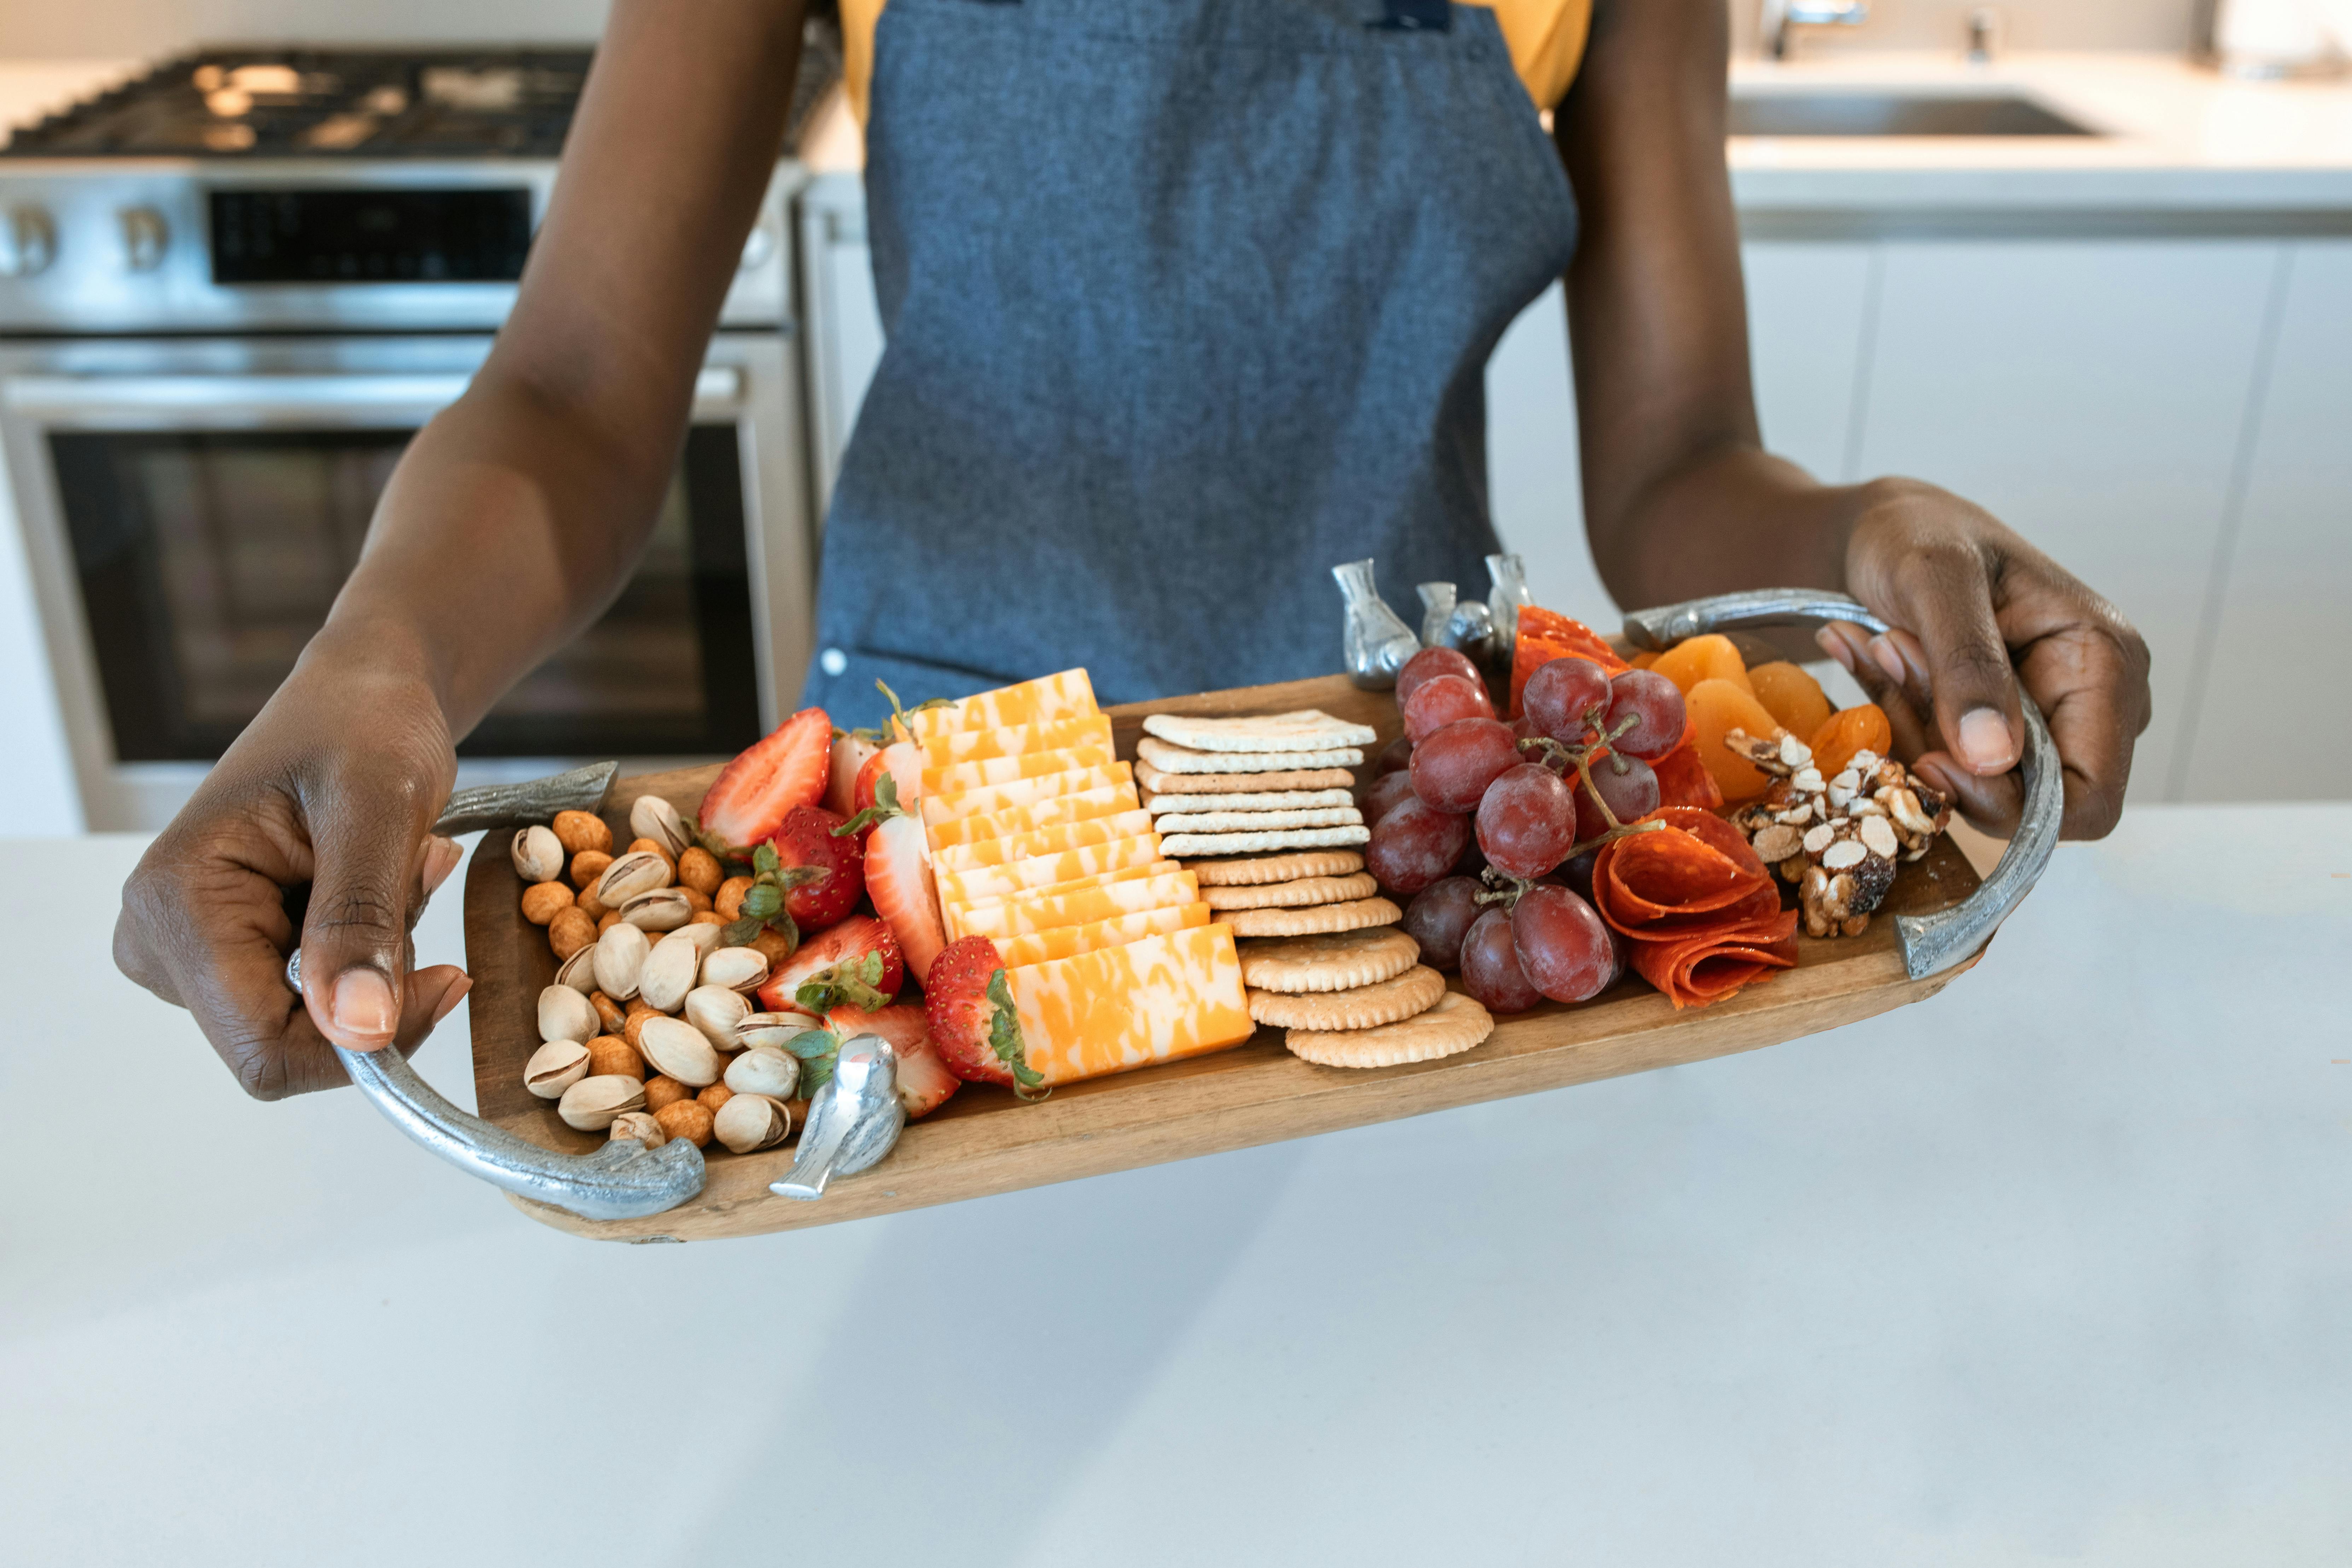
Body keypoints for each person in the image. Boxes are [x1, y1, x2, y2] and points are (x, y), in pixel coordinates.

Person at [114, 0, 2149, 1099]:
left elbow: (1682, 462)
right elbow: (575, 387)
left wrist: (1862, 535)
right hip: (930, 833)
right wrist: (378, 654)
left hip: (1423, 870)